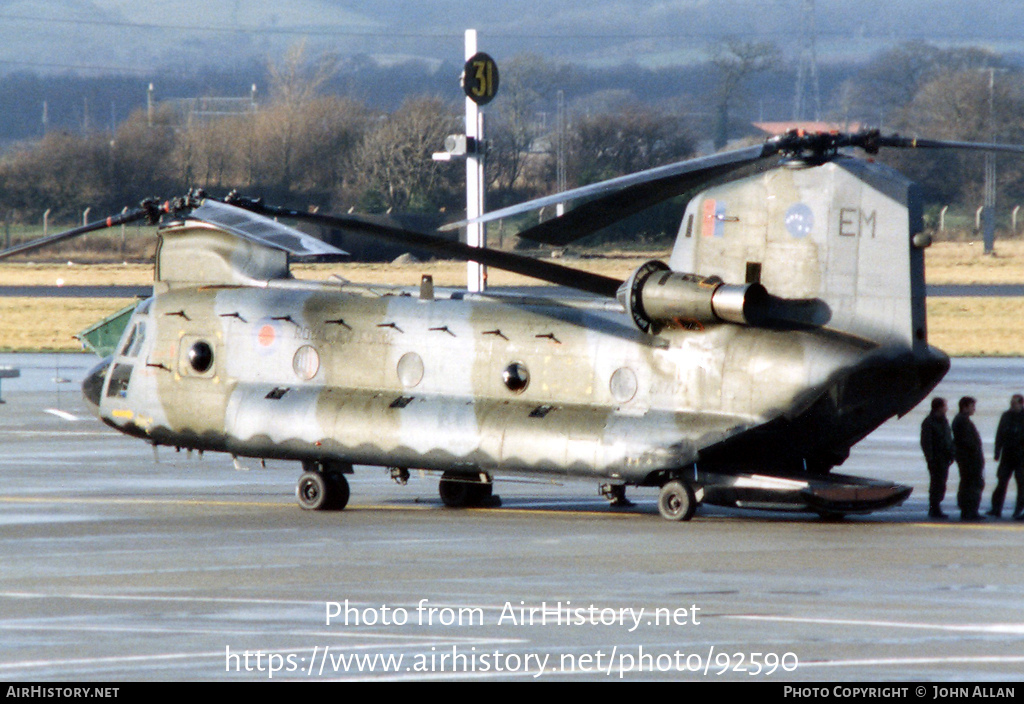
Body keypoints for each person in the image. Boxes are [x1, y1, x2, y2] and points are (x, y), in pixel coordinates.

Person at [988, 394, 1024, 519]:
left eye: (1014, 404)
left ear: (1021, 404)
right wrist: (997, 452)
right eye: (1011, 403)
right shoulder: (1006, 416)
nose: (1012, 406)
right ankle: (996, 508)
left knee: (1022, 484)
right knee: (1001, 482)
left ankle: (1019, 510)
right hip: (1007, 455)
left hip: (1021, 457)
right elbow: (999, 434)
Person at [952, 396, 985, 521]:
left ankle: (970, 510)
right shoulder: (962, 421)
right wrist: (975, 451)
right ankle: (969, 511)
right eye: (972, 406)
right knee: (971, 485)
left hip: (969, 459)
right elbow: (967, 442)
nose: (974, 409)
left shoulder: (962, 420)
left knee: (969, 484)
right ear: (965, 407)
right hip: (969, 460)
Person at [920, 397, 954, 519]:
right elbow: (926, 442)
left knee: (941, 483)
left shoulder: (943, 421)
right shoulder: (929, 422)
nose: (947, 408)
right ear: (939, 407)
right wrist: (930, 459)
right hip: (936, 459)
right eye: (945, 406)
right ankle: (934, 508)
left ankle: (936, 506)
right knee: (936, 484)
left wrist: (951, 454)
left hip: (944, 458)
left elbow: (948, 439)